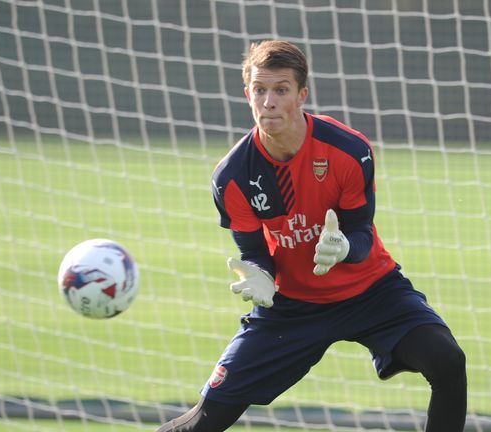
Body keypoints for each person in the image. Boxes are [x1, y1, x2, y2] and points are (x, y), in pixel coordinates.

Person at [157, 40, 467, 432]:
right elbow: (254, 252)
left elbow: (361, 233)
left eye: (281, 90)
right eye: (260, 89)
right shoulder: (232, 177)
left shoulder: (349, 151)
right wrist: (258, 273)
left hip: (371, 291)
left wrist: (344, 249)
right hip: (293, 306)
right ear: (247, 93)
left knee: (448, 361)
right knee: (204, 420)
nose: (268, 101)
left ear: (302, 94)